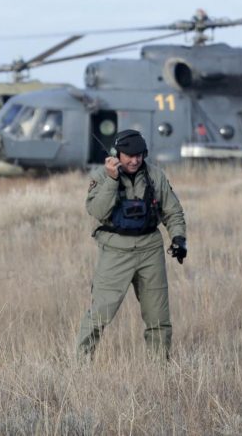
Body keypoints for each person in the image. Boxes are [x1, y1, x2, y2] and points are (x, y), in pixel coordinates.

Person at [76, 129, 187, 361]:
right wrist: (112, 180)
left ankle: (160, 369)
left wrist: (178, 239)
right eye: (129, 155)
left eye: (139, 155)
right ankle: (81, 365)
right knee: (100, 314)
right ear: (117, 154)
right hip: (116, 251)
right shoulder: (101, 176)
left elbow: (173, 211)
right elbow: (97, 211)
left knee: (158, 317)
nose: (135, 160)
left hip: (150, 250)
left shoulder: (156, 176)